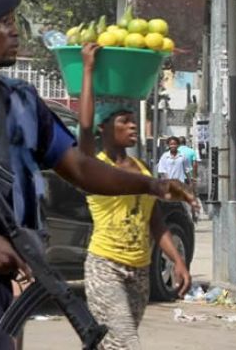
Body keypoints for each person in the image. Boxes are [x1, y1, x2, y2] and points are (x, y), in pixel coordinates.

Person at [0, 0, 194, 350]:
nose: (15, 31)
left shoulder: (23, 100)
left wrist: (152, 186)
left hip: (3, 271)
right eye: (3, 23)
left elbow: (79, 167)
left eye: (14, 21)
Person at [78, 44, 192, 350]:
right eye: (123, 121)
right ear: (105, 127)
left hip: (139, 270)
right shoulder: (94, 165)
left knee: (107, 343)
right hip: (105, 267)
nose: (132, 126)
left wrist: (178, 260)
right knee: (126, 343)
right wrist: (88, 69)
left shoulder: (142, 168)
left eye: (133, 120)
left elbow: (155, 223)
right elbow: (85, 126)